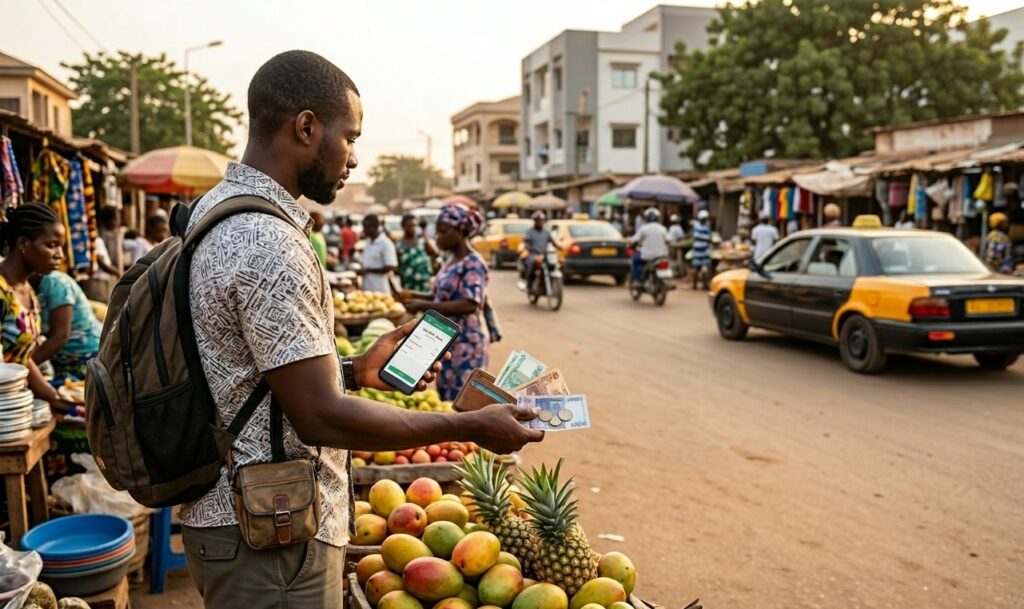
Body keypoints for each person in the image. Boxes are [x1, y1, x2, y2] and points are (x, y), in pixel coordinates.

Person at [178, 51, 541, 609]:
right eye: (350, 137)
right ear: (306, 127)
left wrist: (352, 370)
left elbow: (252, 377)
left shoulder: (220, 210)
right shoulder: (266, 241)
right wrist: (467, 424)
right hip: (269, 532)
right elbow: (319, 415)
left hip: (243, 518)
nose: (352, 158)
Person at [403, 204, 490, 401]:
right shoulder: (450, 260)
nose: (437, 237)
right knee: (446, 396)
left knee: (462, 402)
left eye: (443, 232)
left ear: (460, 232)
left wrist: (422, 306)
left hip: (466, 344)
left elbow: (469, 304)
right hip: (445, 341)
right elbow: (439, 296)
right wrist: (413, 296)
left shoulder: (473, 263)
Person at [0, 203, 69, 405]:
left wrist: (55, 397)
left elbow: (20, 356)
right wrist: (54, 398)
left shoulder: (27, 290)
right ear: (23, 243)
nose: (60, 255)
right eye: (51, 245)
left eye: (61, 247)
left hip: (18, 403)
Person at [31, 270, 101, 383]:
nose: (59, 254)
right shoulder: (26, 286)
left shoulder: (55, 282)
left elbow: (60, 336)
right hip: (62, 361)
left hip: (86, 358)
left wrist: (23, 369)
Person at [629, 208, 670, 284]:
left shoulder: (643, 229)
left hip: (647, 256)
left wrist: (630, 242)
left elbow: (634, 239)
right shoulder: (662, 229)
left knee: (635, 260)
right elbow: (669, 240)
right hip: (661, 255)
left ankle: (637, 280)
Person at [358, 214, 398, 293]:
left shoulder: (385, 243)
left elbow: (391, 266)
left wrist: (369, 270)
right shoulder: (368, 241)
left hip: (380, 288)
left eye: (366, 227)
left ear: (375, 227)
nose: (364, 230)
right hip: (367, 288)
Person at [397, 213, 436, 292]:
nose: (412, 228)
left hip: (424, 284)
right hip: (407, 285)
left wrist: (424, 232)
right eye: (409, 226)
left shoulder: (422, 242)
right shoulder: (398, 245)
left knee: (426, 304)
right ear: (403, 227)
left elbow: (434, 253)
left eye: (414, 226)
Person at [519, 211, 556, 286]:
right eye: (538, 220)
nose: (540, 222)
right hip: (533, 254)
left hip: (544, 254)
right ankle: (529, 284)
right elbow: (526, 242)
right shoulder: (529, 232)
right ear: (535, 221)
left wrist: (558, 247)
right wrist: (528, 247)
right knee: (531, 264)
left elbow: (553, 242)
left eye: (541, 220)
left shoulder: (546, 232)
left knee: (553, 264)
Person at [690, 209, 713, 278]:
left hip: (696, 251)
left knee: (696, 268)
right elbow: (709, 238)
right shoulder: (707, 227)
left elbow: (694, 237)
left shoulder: (695, 226)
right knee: (704, 268)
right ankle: (705, 284)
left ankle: (695, 285)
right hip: (704, 251)